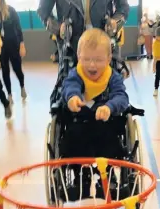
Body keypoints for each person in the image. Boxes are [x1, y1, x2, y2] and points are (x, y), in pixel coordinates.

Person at [61, 28, 129, 158]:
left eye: (98, 60)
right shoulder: (76, 74)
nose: (92, 65)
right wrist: (72, 97)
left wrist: (110, 107)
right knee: (72, 139)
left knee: (110, 139)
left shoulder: (112, 77)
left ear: (108, 59)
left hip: (105, 123)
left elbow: (121, 96)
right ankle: (80, 174)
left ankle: (107, 174)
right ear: (79, 56)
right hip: (80, 122)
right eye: (86, 59)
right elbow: (70, 86)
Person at [37, 0, 130, 64]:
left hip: (104, 42)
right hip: (71, 47)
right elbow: (43, 11)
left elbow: (123, 8)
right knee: (71, 87)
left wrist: (115, 22)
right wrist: (58, 28)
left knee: (109, 87)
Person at [0, 0, 27, 104]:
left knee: (17, 69)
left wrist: (22, 44)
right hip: (0, 48)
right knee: (5, 71)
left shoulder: (11, 10)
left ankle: (22, 86)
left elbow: (18, 28)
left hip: (13, 45)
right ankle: (9, 94)